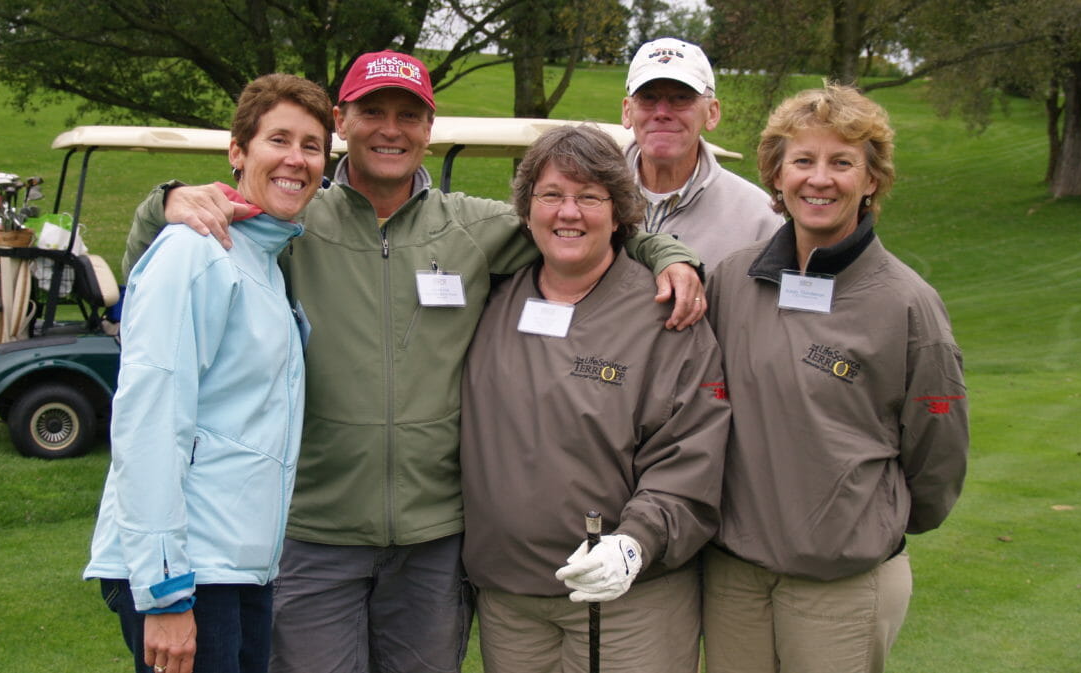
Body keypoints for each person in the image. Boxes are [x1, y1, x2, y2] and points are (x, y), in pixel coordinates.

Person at [123, 51, 707, 673]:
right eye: (372, 111)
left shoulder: (472, 227)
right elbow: (158, 263)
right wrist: (165, 202)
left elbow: (579, 216)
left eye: (409, 114)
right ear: (343, 122)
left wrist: (669, 254)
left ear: (430, 129)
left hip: (434, 541)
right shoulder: (289, 218)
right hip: (314, 530)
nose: (391, 129)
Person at [702, 84, 969, 673]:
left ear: (871, 181)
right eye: (802, 160)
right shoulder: (729, 281)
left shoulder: (907, 305)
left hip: (842, 582)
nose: (819, 179)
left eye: (842, 162)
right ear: (776, 175)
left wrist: (871, 523)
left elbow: (938, 448)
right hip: (734, 578)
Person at [84, 73, 332, 673]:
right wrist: (166, 590)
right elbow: (150, 421)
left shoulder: (265, 260)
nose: (296, 160)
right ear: (238, 151)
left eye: (312, 146)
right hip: (189, 571)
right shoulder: (196, 251)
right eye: (279, 139)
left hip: (241, 565)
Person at [459, 125, 730, 673]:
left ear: (618, 209)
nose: (569, 213)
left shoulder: (665, 312)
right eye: (552, 195)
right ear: (527, 206)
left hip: (628, 602)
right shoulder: (489, 296)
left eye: (589, 196)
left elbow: (692, 451)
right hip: (510, 600)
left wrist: (635, 543)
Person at [622, 37, 783, 269]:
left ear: (712, 113)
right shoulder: (588, 200)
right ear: (627, 111)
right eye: (648, 97)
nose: (662, 112)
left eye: (681, 98)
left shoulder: (759, 218)